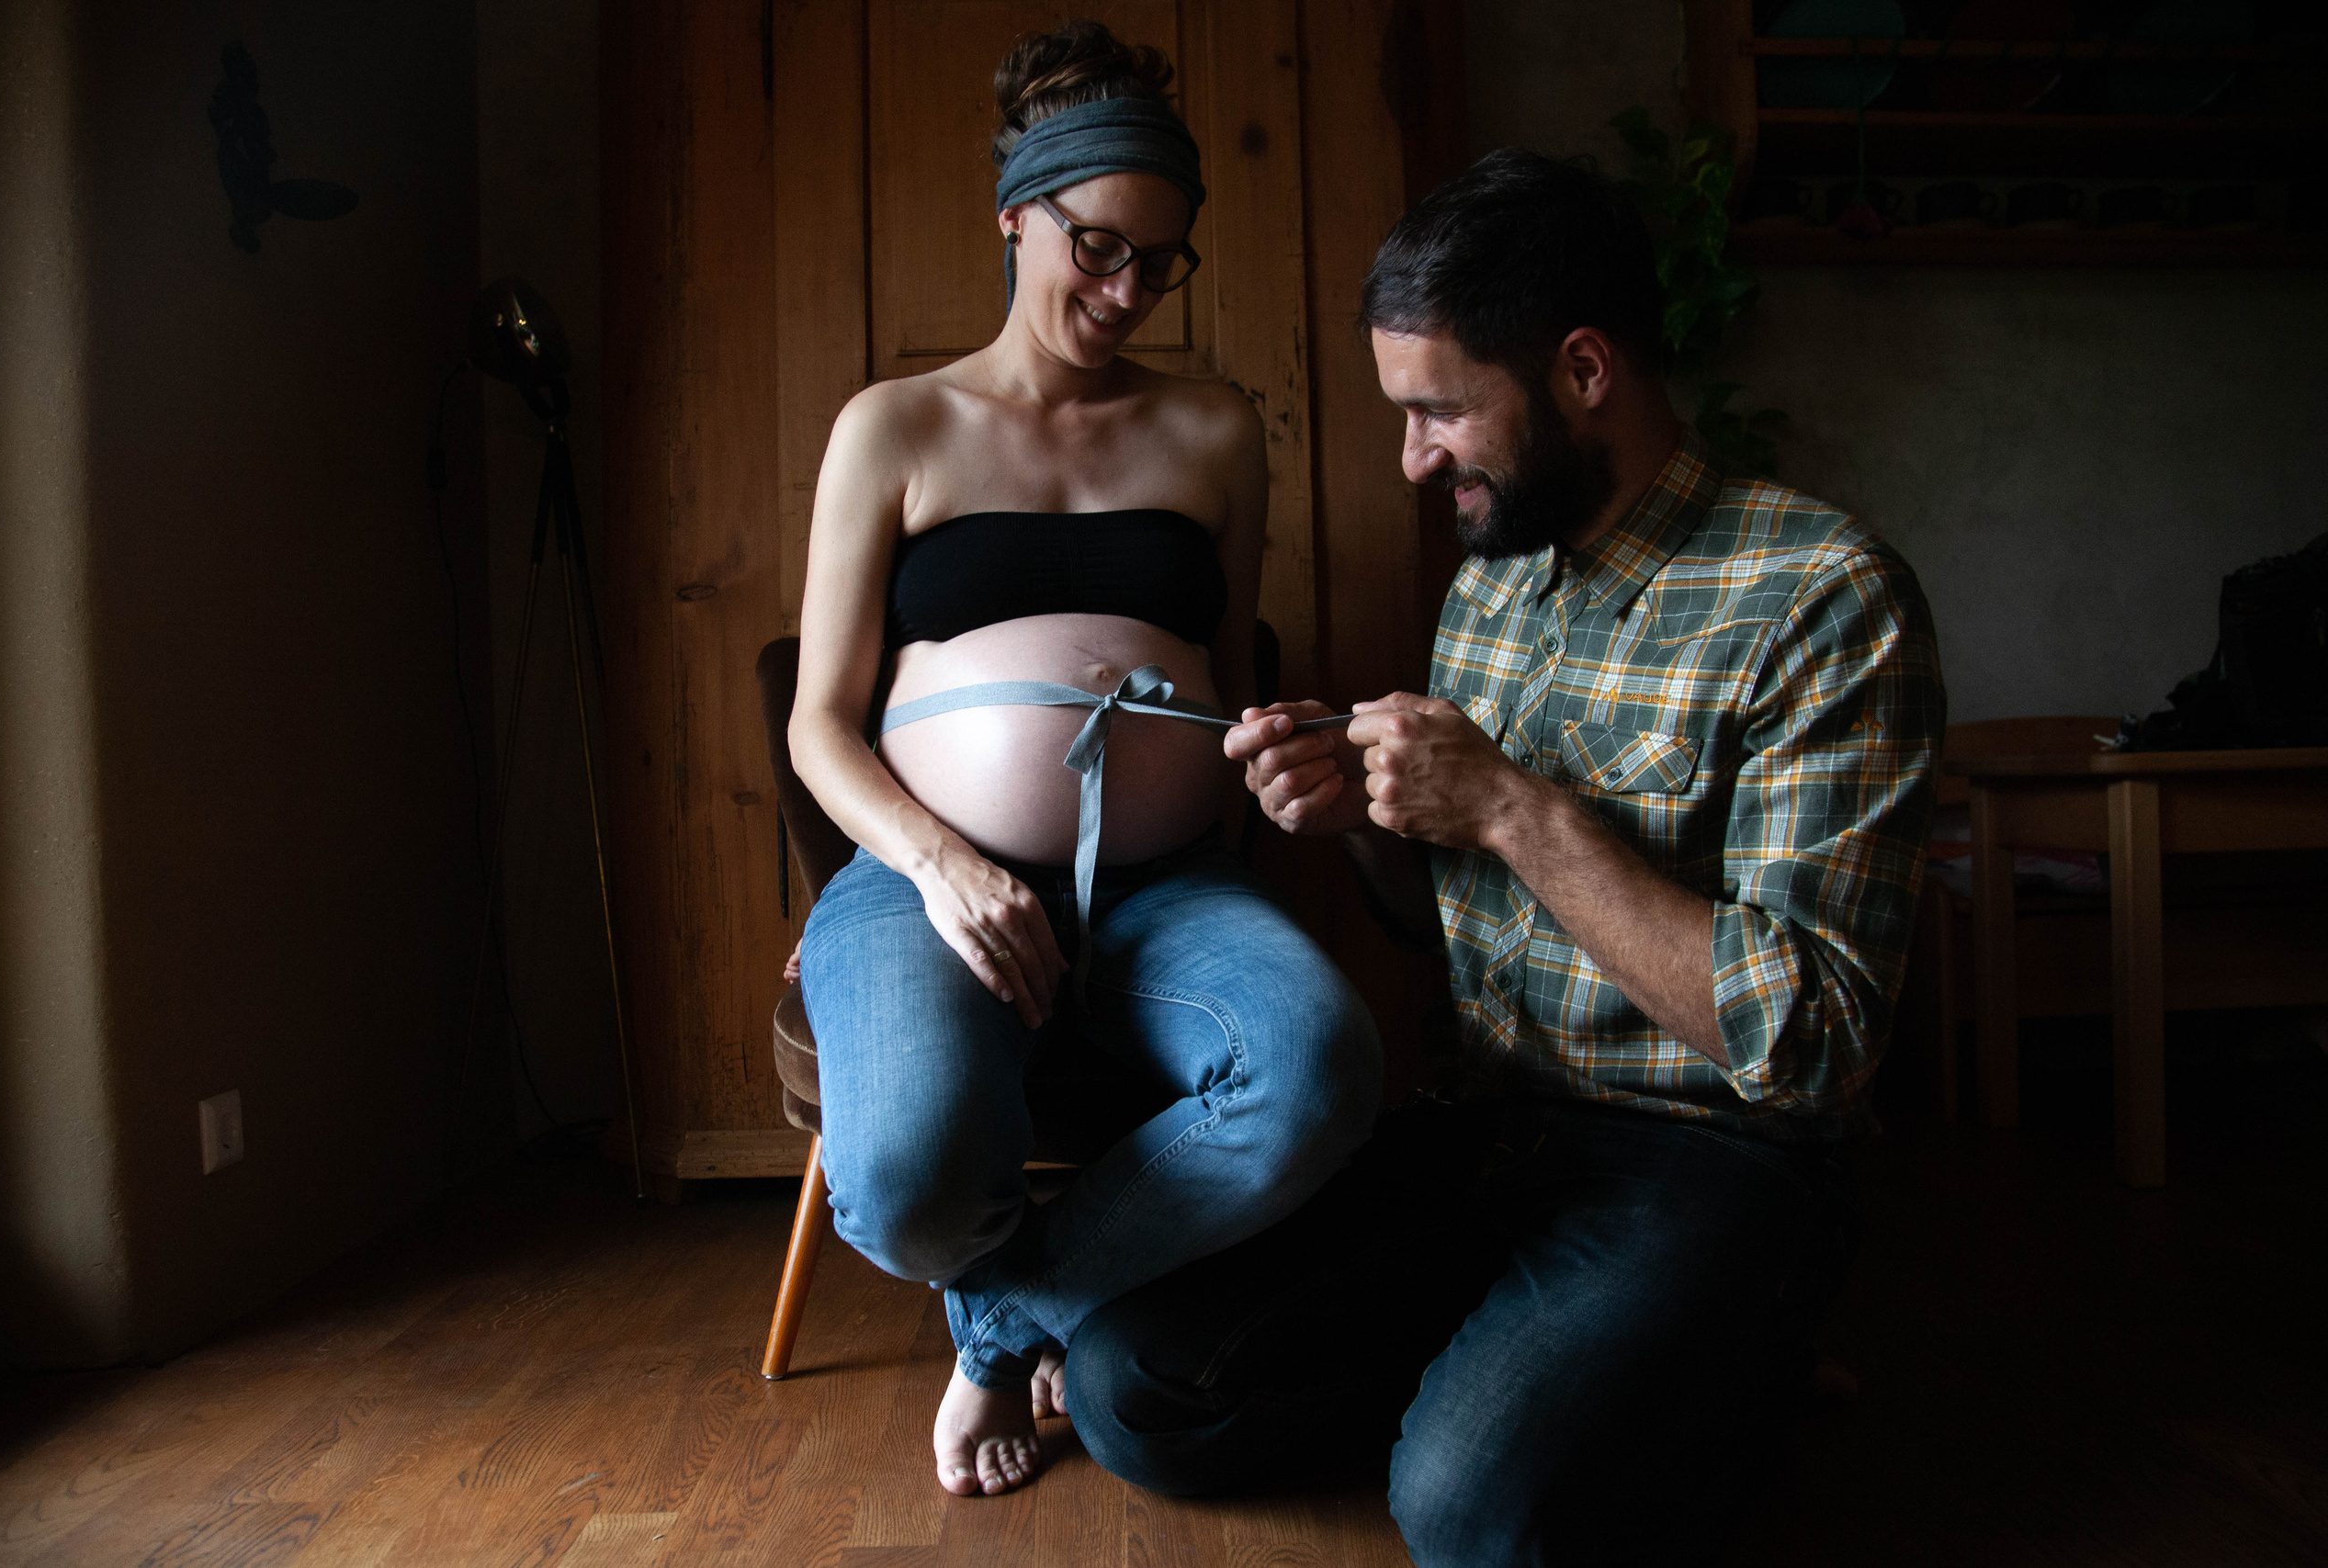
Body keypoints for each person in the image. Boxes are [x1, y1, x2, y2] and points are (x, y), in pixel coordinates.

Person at [1062, 148, 1945, 1565]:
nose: (1414, 461)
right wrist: (1361, 822)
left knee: (1472, 1512)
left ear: (1584, 369)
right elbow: (1435, 927)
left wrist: (1515, 809)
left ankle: (1717, 1361)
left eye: (1439, 412)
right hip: (1489, 1129)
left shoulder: (1824, 599)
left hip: (1716, 1163)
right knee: (1128, 1387)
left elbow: (1817, 1042)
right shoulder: (1491, 583)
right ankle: (1578, 1385)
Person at [786, 21, 1382, 1502]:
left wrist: (1276, 752)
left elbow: (1238, 682)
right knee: (912, 1176)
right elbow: (817, 721)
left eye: (1160, 264)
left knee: (1320, 1067)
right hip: (930, 879)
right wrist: (949, 868)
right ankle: (1004, 1297)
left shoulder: (1214, 430)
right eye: (1098, 249)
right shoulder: (895, 428)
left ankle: (999, 1332)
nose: (1126, 295)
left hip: (1167, 888)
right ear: (1015, 215)